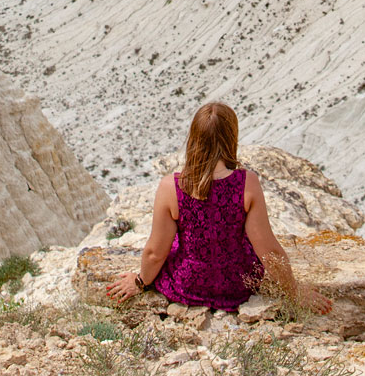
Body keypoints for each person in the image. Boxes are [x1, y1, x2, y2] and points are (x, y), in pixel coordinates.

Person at [105, 102, 332, 314]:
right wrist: (294, 291)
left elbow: (155, 253)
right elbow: (268, 250)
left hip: (188, 284)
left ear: (193, 139)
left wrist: (139, 281)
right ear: (231, 137)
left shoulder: (171, 187)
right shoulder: (247, 183)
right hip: (237, 285)